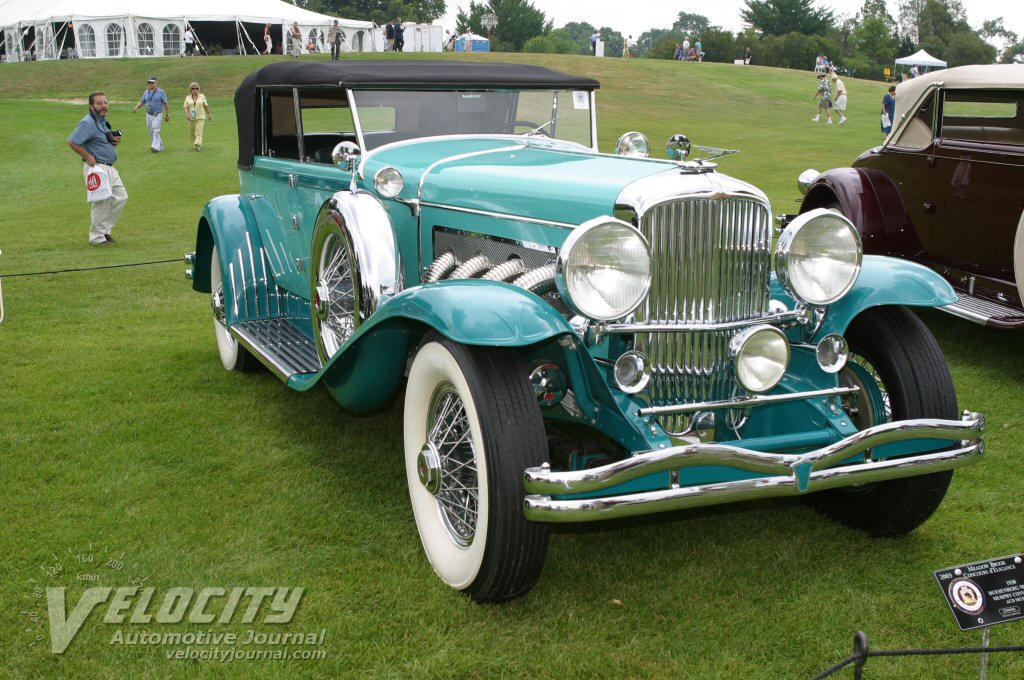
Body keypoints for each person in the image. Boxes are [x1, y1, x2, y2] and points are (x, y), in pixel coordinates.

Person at [68, 92, 128, 245]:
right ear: (91, 106)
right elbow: (73, 141)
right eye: (99, 103)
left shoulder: (102, 121)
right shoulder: (88, 122)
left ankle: (105, 230)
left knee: (121, 197)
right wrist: (87, 156)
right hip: (97, 167)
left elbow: (101, 141)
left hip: (109, 168)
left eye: (105, 103)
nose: (103, 106)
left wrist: (114, 141)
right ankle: (97, 238)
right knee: (101, 201)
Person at [132, 76, 170, 152]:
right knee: (151, 131)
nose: (150, 84)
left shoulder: (161, 92)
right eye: (149, 82)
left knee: (156, 129)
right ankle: (160, 146)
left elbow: (166, 103)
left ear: (156, 83)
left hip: (158, 114)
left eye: (152, 82)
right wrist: (136, 107)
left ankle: (154, 146)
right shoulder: (146, 92)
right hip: (149, 115)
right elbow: (142, 101)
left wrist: (167, 114)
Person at [183, 82, 213, 152]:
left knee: (198, 132)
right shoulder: (187, 98)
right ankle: (196, 142)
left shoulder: (202, 96)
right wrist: (187, 115)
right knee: (192, 132)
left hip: (200, 117)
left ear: (199, 89)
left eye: (196, 88)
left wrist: (209, 114)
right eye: (193, 89)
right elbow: (185, 107)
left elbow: (206, 106)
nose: (195, 90)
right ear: (190, 90)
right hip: (191, 118)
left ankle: (198, 145)